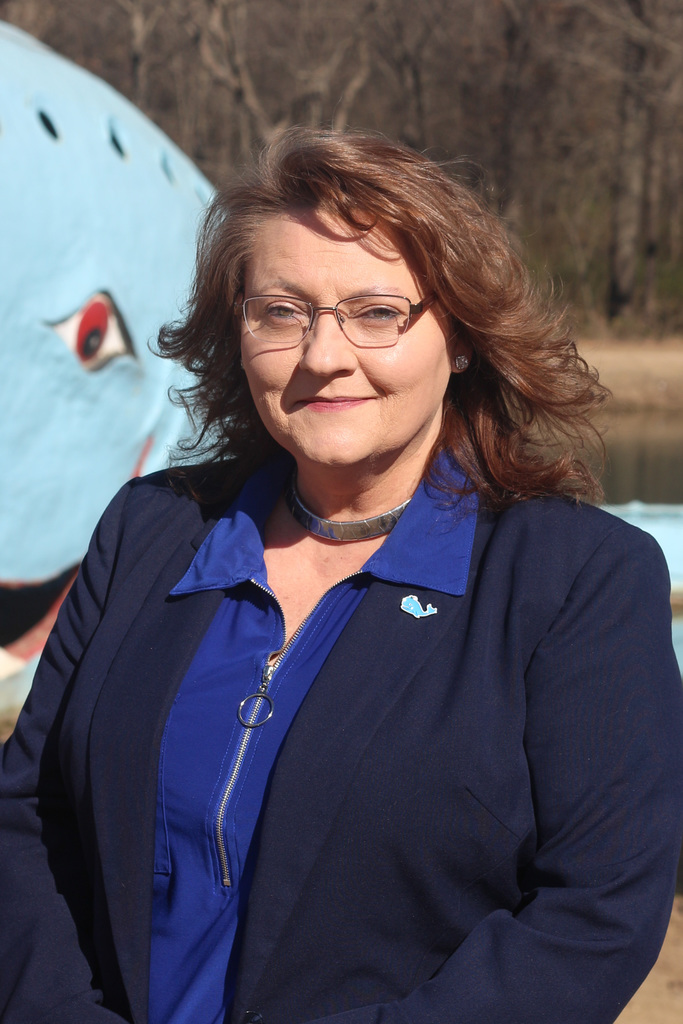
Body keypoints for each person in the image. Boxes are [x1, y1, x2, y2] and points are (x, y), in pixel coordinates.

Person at [1, 128, 682, 1024]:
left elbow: (591, 918)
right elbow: (24, 818)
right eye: (280, 311)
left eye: (376, 312)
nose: (324, 355)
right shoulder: (152, 530)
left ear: (463, 337)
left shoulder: (576, 582)